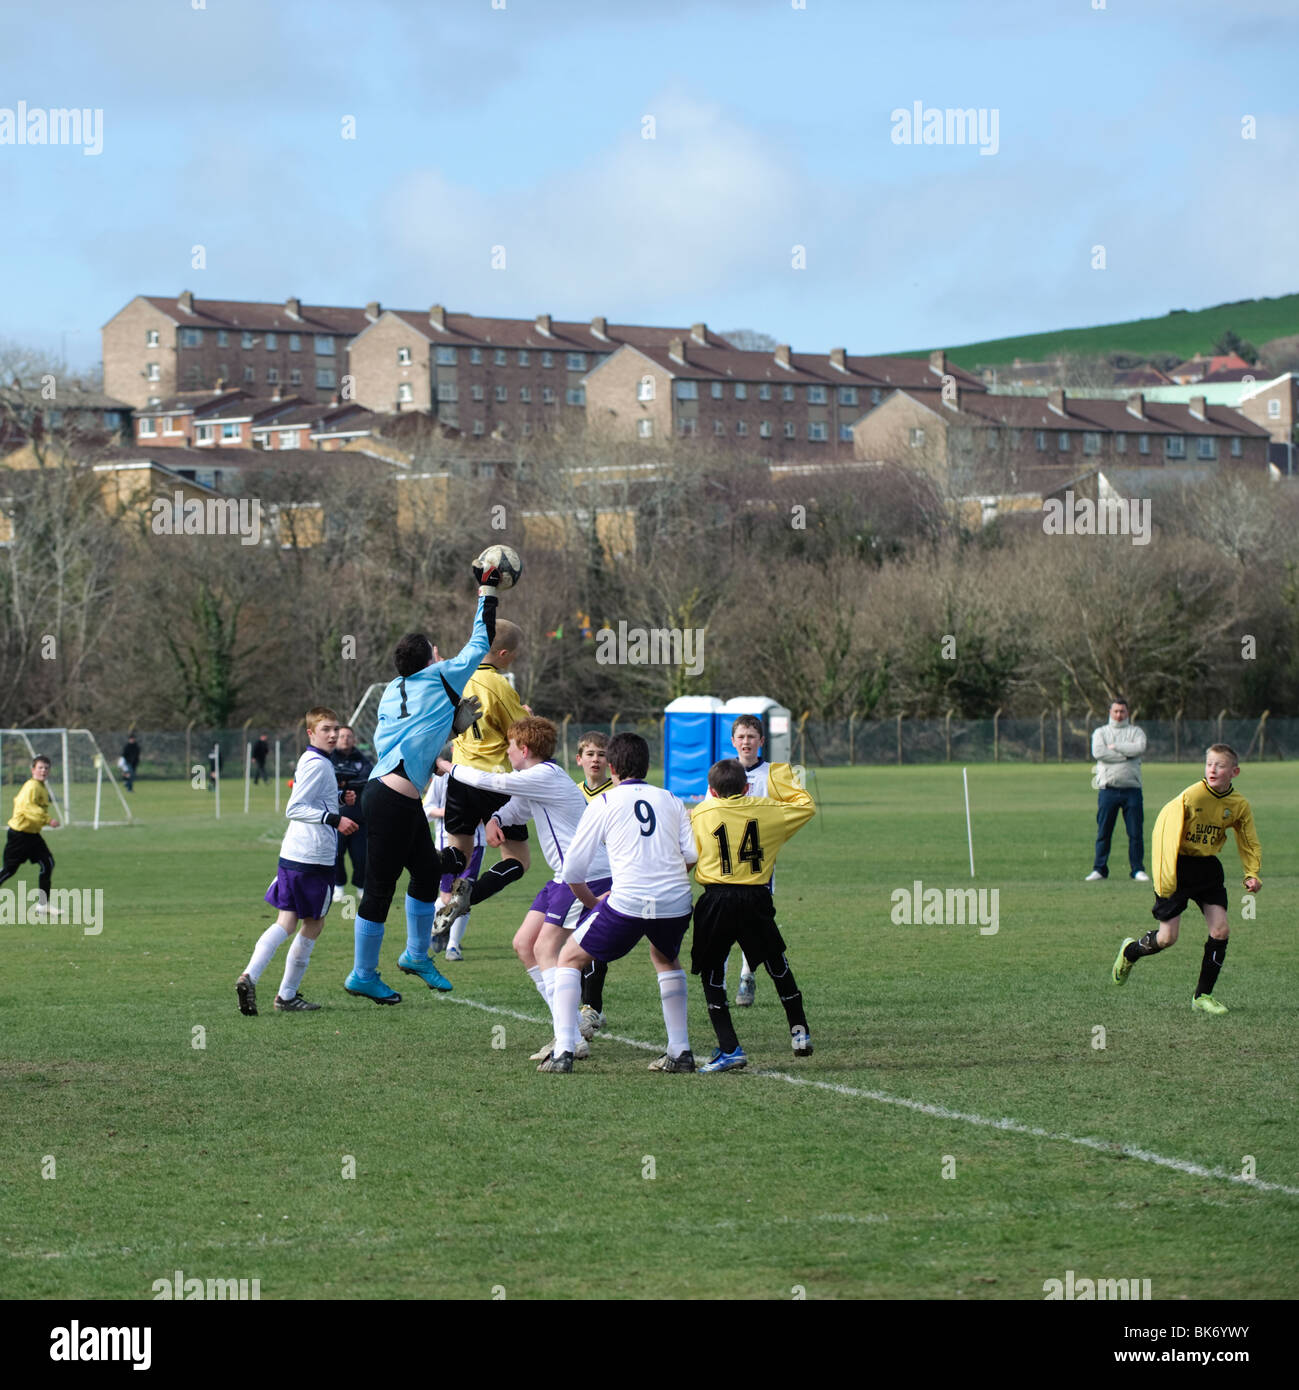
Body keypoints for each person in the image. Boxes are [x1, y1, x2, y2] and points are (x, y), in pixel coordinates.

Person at [344, 569, 501, 1005]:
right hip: (392, 800)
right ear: (433, 660)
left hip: (392, 795)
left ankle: (416, 956)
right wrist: (487, 591)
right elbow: (480, 642)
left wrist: (448, 730)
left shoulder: (395, 689)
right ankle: (362, 974)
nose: (442, 655)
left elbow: (404, 741)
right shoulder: (442, 677)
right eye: (437, 651)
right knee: (379, 888)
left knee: (430, 872)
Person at [439, 716, 611, 1066]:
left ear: (525, 749)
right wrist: (497, 820)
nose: (507, 751)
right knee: (523, 944)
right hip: (564, 877)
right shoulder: (542, 778)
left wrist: (446, 766)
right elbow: (517, 806)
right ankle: (571, 1029)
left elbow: (493, 780)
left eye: (511, 746)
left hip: (585, 877)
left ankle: (570, 1038)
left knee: (547, 948)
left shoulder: (544, 775)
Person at [544, 732, 698, 1075]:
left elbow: (572, 869)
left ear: (612, 767)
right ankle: (681, 1050)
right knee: (665, 956)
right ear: (647, 765)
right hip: (675, 900)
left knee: (569, 957)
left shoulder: (604, 802)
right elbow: (691, 855)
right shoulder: (671, 798)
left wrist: (595, 903)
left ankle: (564, 1051)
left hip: (627, 900)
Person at [1111, 744, 1261, 1014]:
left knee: (1221, 930)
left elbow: (1248, 840)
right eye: (1209, 764)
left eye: (1221, 765)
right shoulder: (1191, 797)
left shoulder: (1238, 805)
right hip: (1177, 865)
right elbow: (1164, 833)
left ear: (1234, 771)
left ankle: (1202, 997)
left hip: (1208, 869)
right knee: (1168, 938)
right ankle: (1130, 952)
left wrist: (1252, 873)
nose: (1213, 769)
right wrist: (1164, 877)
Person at [690, 758, 817, 1071]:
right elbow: (806, 806)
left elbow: (688, 853)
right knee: (776, 963)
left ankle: (729, 1047)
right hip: (756, 897)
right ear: (747, 787)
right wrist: (778, 774)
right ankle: (799, 1031)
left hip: (717, 898)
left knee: (712, 973)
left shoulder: (701, 813)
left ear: (712, 792)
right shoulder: (769, 809)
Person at [235, 708, 358, 1015]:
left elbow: (312, 800)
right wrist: (335, 818)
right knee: (314, 924)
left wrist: (340, 799)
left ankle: (250, 975)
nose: (332, 734)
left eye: (335, 729)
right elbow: (295, 808)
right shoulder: (318, 764)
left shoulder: (312, 760)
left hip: (292, 854)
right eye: (326, 729)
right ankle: (286, 995)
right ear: (311, 733)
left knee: (286, 921)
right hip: (313, 857)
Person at [435, 619, 532, 934]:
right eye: (513, 655)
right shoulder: (500, 685)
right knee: (518, 861)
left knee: (457, 856)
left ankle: (418, 864)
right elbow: (523, 736)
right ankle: (468, 898)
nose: (513, 660)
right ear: (503, 653)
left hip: (460, 777)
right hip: (495, 782)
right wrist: (529, 716)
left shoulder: (454, 676)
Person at [727, 715, 802, 1005]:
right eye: (741, 737)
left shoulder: (773, 774)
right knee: (726, 923)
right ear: (733, 741)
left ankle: (747, 975)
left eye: (751, 736)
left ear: (761, 741)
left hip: (759, 863)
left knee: (754, 922)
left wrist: (774, 831)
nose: (746, 742)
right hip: (726, 862)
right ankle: (719, 983)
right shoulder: (723, 772)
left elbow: (795, 807)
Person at [422, 742, 485, 960]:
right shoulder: (442, 778)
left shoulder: (482, 775)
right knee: (446, 897)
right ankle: (433, 927)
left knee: (463, 895)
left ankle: (453, 946)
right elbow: (427, 808)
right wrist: (450, 813)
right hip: (446, 846)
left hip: (476, 845)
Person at [575, 731, 613, 1037]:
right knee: (571, 948)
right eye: (590, 754)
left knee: (594, 947)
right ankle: (580, 1009)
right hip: (575, 883)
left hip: (611, 881)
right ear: (579, 760)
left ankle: (590, 1009)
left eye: (601, 754)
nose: (596, 759)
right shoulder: (572, 795)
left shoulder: (618, 794)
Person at [1086, 697, 1149, 882]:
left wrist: (1116, 748)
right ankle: (1099, 869)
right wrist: (1125, 756)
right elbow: (1098, 752)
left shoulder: (1135, 731)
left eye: (1122, 711)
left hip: (1132, 789)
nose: (1119, 715)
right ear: (1110, 712)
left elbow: (1140, 747)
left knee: (1135, 833)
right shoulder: (1101, 732)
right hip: (1108, 790)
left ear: (1127, 713)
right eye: (1116, 711)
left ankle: (1137, 869)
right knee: (1104, 832)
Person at [0, 755, 60, 920]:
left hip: (32, 835)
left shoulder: (41, 787)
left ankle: (43, 904)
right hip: (19, 835)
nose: (43, 771)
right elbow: (28, 808)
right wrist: (48, 820)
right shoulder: (31, 786)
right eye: (40, 767)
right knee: (8, 870)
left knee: (48, 863)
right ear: (33, 769)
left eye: (46, 768)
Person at [331, 725, 372, 903]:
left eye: (349, 736)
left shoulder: (363, 760)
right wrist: (346, 781)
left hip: (359, 818)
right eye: (342, 736)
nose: (345, 739)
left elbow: (365, 779)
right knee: (336, 854)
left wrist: (344, 782)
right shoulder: (329, 759)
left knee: (361, 856)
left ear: (354, 739)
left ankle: (361, 887)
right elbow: (330, 779)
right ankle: (338, 887)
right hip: (336, 819)